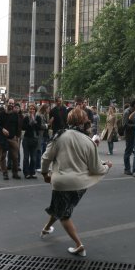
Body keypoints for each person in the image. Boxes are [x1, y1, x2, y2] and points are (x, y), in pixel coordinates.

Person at [39, 108, 112, 257]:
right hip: (80, 185)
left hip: (62, 183)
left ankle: (79, 245)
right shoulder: (88, 141)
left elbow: (46, 158)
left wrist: (45, 173)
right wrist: (107, 166)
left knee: (64, 214)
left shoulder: (59, 136)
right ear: (85, 121)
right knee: (60, 207)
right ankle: (46, 228)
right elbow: (96, 167)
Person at [0, 98, 21, 180]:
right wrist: (2, 129)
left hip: (12, 138)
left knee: (15, 157)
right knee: (3, 157)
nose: (11, 105)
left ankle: (15, 173)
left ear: (13, 105)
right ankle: (5, 173)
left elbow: (18, 126)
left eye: (12, 103)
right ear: (6, 103)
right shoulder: (1, 114)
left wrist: (17, 137)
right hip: (3, 138)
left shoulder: (15, 114)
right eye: (9, 103)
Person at [22, 103, 42, 179]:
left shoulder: (38, 118)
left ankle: (32, 172)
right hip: (27, 139)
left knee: (33, 158)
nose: (32, 110)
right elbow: (23, 128)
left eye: (33, 109)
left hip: (34, 139)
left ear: (35, 110)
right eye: (30, 109)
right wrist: (30, 123)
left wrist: (34, 121)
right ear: (28, 110)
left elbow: (39, 128)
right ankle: (26, 173)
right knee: (26, 157)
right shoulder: (26, 117)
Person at [122, 99, 135, 175]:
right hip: (129, 135)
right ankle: (127, 169)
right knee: (128, 152)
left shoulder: (133, 111)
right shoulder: (127, 112)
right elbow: (124, 125)